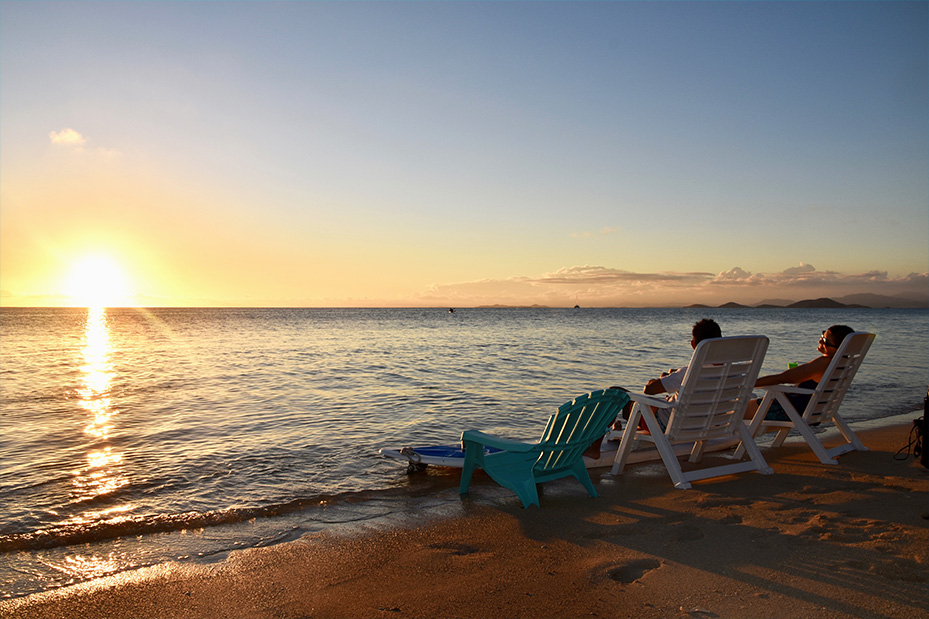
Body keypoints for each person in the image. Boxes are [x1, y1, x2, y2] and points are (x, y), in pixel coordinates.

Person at [584, 319, 722, 458]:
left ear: (693, 345)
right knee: (654, 405)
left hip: (667, 426)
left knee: (614, 393)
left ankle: (594, 448)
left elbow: (649, 390)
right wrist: (671, 377)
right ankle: (618, 432)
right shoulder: (730, 372)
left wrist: (660, 379)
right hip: (701, 426)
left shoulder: (688, 373)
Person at [743, 325, 855, 422]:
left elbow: (782, 378)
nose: (820, 342)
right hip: (813, 411)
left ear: (838, 348)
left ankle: (740, 438)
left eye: (825, 342)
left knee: (736, 412)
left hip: (789, 410)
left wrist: (747, 384)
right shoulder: (844, 364)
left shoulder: (824, 363)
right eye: (822, 336)